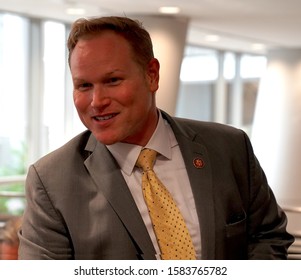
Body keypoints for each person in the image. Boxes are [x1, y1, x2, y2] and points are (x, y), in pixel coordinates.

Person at [18, 16, 294, 260]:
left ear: (152, 75)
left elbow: (268, 237)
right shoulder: (52, 180)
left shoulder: (228, 147)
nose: (97, 101)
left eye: (113, 80)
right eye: (84, 85)